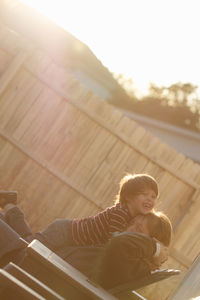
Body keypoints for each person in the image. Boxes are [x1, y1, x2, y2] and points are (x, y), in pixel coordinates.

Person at [0, 208, 172, 291]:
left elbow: (121, 244)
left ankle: (13, 209)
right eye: (132, 223)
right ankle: (12, 208)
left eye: (139, 229)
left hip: (28, 273)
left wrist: (155, 248)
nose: (129, 229)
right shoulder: (125, 261)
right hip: (32, 267)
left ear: (151, 244)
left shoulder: (128, 263)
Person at [0, 173, 159, 251]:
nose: (149, 200)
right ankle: (9, 205)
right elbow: (115, 242)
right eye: (144, 195)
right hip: (65, 232)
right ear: (128, 196)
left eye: (153, 196)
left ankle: (9, 206)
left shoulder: (130, 217)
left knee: (26, 243)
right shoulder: (120, 213)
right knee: (27, 248)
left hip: (67, 234)